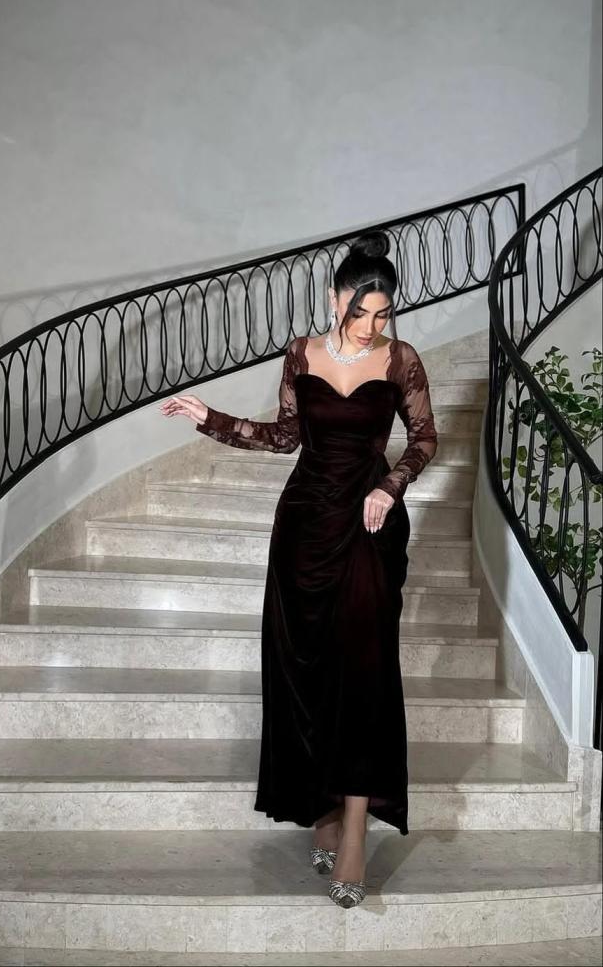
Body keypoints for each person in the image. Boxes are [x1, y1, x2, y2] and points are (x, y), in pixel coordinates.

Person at [159, 230, 438, 909]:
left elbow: (425, 438)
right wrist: (211, 419)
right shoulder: (299, 353)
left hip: (368, 525)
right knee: (306, 672)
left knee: (364, 673)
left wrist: (389, 485)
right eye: (360, 312)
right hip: (303, 528)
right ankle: (321, 808)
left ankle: (353, 831)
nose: (371, 326)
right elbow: (285, 436)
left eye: (383, 314)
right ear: (335, 300)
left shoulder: (401, 359)